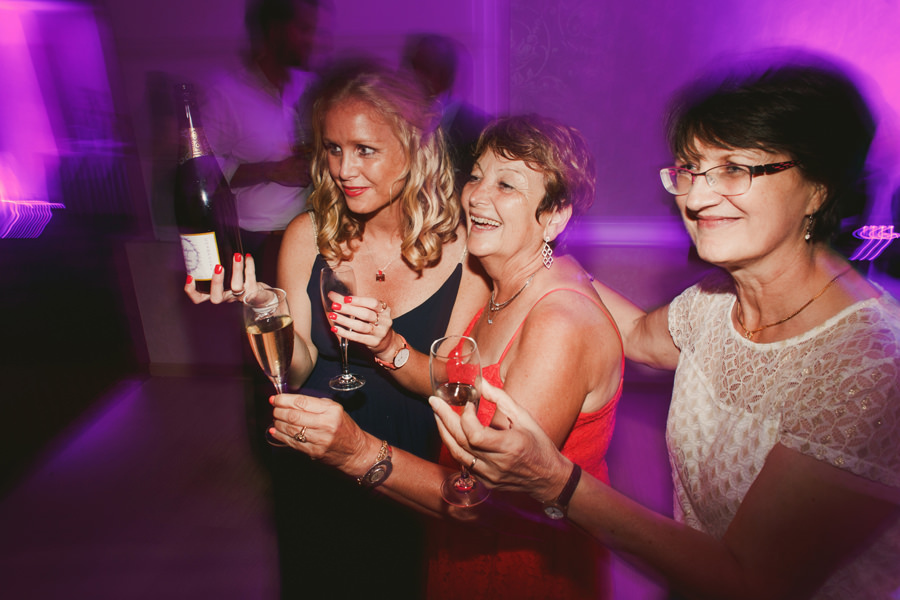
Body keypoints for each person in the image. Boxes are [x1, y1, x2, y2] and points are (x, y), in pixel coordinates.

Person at [433, 58, 900, 599]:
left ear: (817, 187)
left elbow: (749, 580)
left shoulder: (868, 364)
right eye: (690, 170)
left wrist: (556, 480)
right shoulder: (713, 304)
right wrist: (538, 261)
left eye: (734, 169)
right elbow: (635, 334)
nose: (695, 198)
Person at [269, 115, 624, 599]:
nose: (476, 196)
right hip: (463, 546)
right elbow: (456, 381)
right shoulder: (504, 286)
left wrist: (357, 451)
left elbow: (493, 503)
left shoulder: (557, 325)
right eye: (475, 176)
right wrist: (389, 345)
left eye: (506, 185)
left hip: (521, 564)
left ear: (555, 216)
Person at [190, 63, 490, 598]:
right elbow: (300, 363)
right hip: (318, 453)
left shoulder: (465, 251)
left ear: (416, 146)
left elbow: (453, 381)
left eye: (364, 150)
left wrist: (390, 346)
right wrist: (259, 310)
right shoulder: (308, 234)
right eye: (332, 148)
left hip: (410, 460)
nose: (343, 169)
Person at [200, 0, 320, 285]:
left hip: (313, 232)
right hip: (260, 240)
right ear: (275, 31)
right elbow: (205, 172)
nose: (311, 40)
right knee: (271, 311)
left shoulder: (311, 86)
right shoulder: (226, 95)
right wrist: (271, 171)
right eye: (303, 29)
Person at [401, 33, 490, 193]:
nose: (416, 76)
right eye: (412, 67)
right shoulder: (396, 118)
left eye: (425, 68)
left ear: (448, 74)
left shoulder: (480, 127)